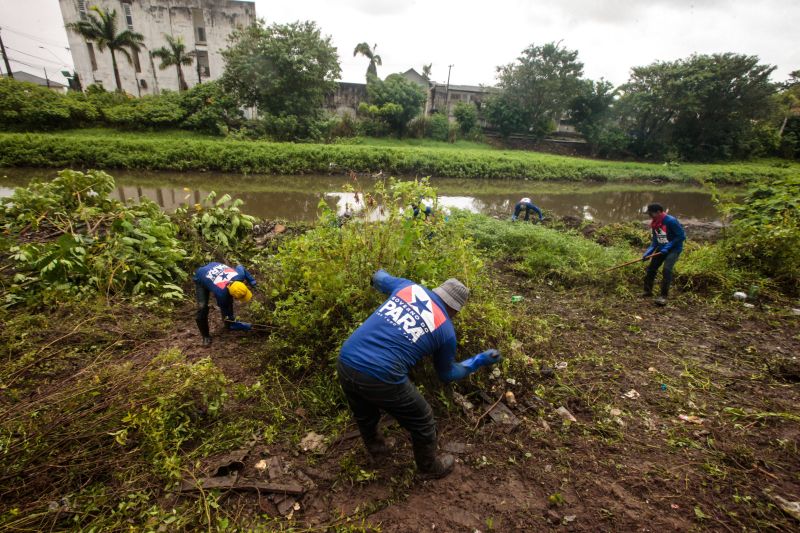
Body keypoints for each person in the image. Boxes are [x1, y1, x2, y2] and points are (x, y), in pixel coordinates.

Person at [338, 270, 502, 479]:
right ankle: (428, 468)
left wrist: (376, 280)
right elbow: (447, 373)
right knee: (423, 420)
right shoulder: (446, 331)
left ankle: (378, 452)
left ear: (438, 290)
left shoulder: (409, 288)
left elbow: (378, 278)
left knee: (364, 412)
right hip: (381, 375)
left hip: (346, 359)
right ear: (456, 310)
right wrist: (480, 360)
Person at [193, 262, 257, 345]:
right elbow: (225, 309)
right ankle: (205, 336)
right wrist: (230, 320)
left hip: (213, 265)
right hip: (201, 275)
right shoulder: (222, 294)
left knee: (227, 302)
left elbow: (240, 266)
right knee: (202, 308)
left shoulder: (240, 275)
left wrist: (253, 282)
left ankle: (230, 324)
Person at [642, 203, 685, 306]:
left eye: (651, 213)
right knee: (651, 268)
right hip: (661, 248)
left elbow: (681, 236)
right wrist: (649, 252)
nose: (650, 216)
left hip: (674, 249)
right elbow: (655, 240)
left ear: (658, 212)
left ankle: (663, 296)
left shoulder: (671, 221)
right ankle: (647, 291)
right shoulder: (654, 223)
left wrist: (668, 247)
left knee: (666, 270)